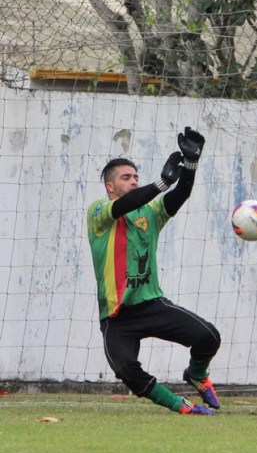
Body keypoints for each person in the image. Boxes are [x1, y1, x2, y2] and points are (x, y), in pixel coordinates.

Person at [87, 127, 221, 416]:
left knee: (209, 336)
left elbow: (181, 194)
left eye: (136, 177)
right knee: (125, 369)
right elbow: (125, 205)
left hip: (151, 305)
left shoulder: (151, 212)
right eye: (127, 178)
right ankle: (179, 405)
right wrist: (161, 183)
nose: (134, 181)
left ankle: (196, 374)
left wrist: (191, 163)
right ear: (110, 186)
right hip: (117, 317)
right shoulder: (99, 213)